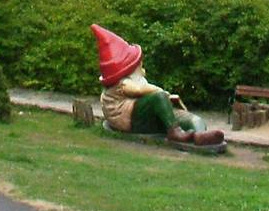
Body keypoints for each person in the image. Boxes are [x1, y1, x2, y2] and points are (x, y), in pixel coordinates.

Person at [91, 24, 224, 147]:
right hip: (133, 122)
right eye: (139, 63)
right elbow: (139, 89)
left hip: (148, 118)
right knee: (158, 97)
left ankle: (200, 135)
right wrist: (162, 93)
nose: (141, 66)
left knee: (190, 119)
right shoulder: (121, 84)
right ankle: (175, 133)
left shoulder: (131, 81)